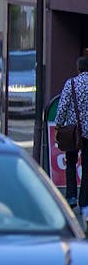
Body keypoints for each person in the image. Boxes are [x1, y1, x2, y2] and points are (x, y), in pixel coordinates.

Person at [55, 56, 88, 214]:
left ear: (78, 68)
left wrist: (59, 125)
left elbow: (62, 107)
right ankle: (84, 201)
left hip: (74, 131)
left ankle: (71, 196)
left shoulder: (71, 83)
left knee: (71, 162)